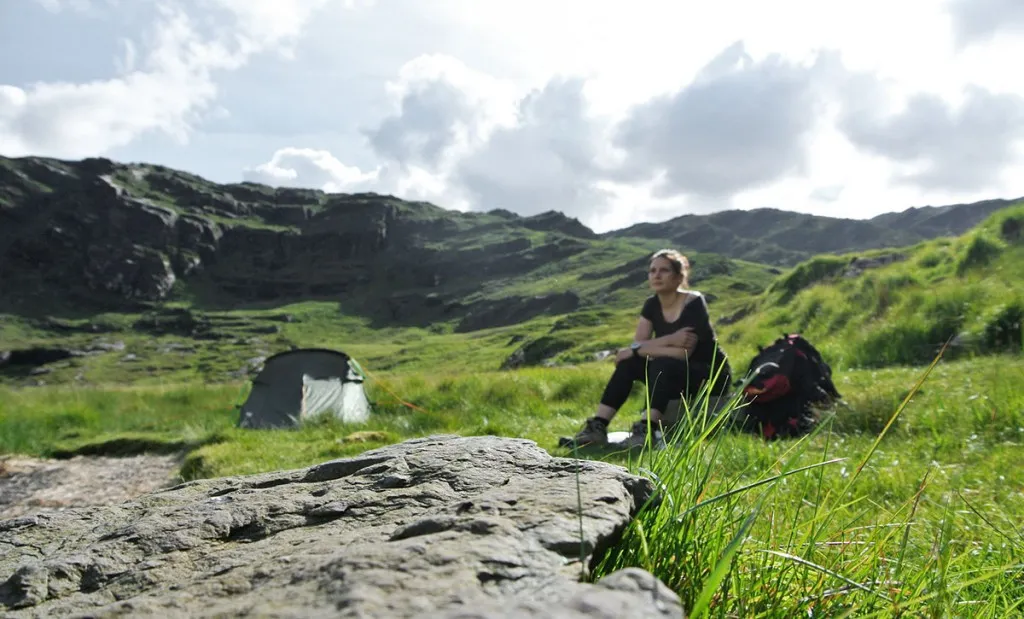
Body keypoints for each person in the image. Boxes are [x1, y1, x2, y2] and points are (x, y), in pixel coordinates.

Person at [570, 248, 732, 448]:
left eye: (664, 270)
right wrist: (670, 339)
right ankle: (598, 426)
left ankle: (647, 429)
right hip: (672, 373)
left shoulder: (693, 302)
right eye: (653, 270)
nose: (657, 275)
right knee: (630, 363)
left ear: (678, 276)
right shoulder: (651, 304)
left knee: (662, 362)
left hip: (708, 374)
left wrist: (639, 348)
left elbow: (683, 353)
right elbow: (639, 346)